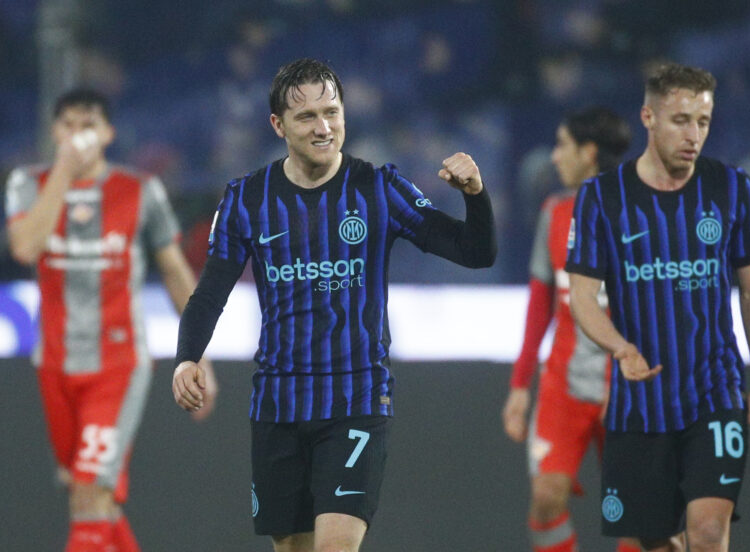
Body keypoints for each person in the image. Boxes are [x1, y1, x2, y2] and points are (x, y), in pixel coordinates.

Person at [171, 57, 496, 552]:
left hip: (356, 400)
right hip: (278, 403)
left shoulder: (379, 189)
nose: (324, 127)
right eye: (307, 117)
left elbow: (475, 253)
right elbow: (211, 290)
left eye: (333, 112)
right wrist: (187, 357)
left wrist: (475, 195)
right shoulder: (245, 200)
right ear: (278, 125)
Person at [566, 62, 750, 552]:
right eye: (681, 120)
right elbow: (582, 297)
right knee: (657, 543)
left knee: (707, 530)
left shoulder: (731, 188)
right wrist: (620, 348)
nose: (693, 134)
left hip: (715, 393)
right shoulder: (601, 197)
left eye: (703, 122)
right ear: (648, 117)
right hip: (641, 405)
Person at [5, 88, 217, 552]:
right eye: (68, 125)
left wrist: (198, 356)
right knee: (89, 499)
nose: (78, 136)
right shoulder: (26, 183)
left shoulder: (139, 192)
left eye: (88, 125)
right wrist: (63, 171)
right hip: (56, 364)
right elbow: (25, 246)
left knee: (90, 489)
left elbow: (176, 272)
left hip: (118, 366)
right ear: (54, 131)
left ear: (108, 133)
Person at [502, 107, 640, 552]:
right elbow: (540, 304)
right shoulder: (555, 212)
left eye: (563, 146)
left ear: (589, 152)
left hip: (629, 385)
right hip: (566, 384)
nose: (555, 157)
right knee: (545, 497)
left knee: (638, 512)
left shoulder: (641, 215)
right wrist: (521, 384)